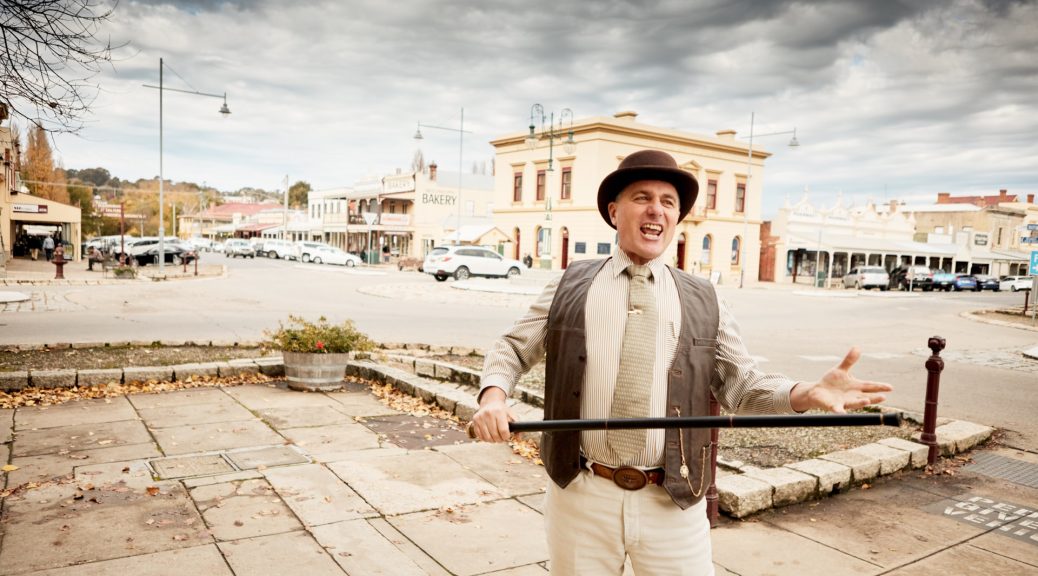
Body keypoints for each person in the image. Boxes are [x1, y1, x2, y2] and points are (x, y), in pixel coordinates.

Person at [471, 149, 892, 575]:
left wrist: (804, 393)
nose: (656, 209)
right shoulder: (569, 284)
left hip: (673, 499)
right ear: (615, 212)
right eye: (642, 197)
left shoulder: (705, 298)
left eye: (668, 202)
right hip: (580, 495)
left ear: (676, 218)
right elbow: (512, 347)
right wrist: (493, 397)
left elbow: (741, 385)